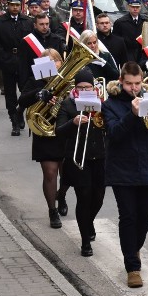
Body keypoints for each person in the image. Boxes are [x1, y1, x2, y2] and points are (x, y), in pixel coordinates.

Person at [102, 62, 148, 288]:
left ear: (142, 81)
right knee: (129, 217)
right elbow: (114, 134)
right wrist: (132, 115)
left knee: (147, 215)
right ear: (121, 82)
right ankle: (132, 266)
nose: (134, 88)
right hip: (123, 169)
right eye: (129, 84)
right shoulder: (110, 105)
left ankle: (133, 247)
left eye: (137, 83)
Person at [56, 68, 106, 257]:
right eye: (80, 87)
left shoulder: (101, 104)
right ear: (75, 88)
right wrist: (73, 122)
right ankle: (85, 241)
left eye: (88, 88)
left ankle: (88, 222)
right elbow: (59, 131)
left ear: (94, 88)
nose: (84, 91)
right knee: (84, 197)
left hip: (99, 157)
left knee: (99, 197)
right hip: (77, 158)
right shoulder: (68, 104)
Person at [17, 48, 67, 229]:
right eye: (47, 62)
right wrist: (40, 93)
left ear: (61, 62)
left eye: (55, 61)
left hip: (64, 130)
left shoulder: (67, 79)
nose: (52, 65)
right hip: (44, 132)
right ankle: (52, 210)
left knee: (67, 173)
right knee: (50, 172)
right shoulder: (36, 81)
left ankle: (61, 195)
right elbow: (22, 100)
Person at [0, 0, 34, 135]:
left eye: (17, 5)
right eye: (12, 5)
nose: (15, 8)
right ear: (8, 5)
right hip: (7, 60)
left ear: (21, 6)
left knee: (26, 91)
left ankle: (20, 111)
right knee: (10, 93)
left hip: (24, 62)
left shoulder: (28, 21)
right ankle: (14, 122)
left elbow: (32, 43)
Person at [112, 0, 148, 66]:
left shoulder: (145, 21)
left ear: (140, 7)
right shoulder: (120, 22)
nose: (135, 9)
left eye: (137, 7)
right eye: (133, 7)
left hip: (142, 53)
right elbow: (116, 40)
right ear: (128, 7)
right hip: (127, 54)